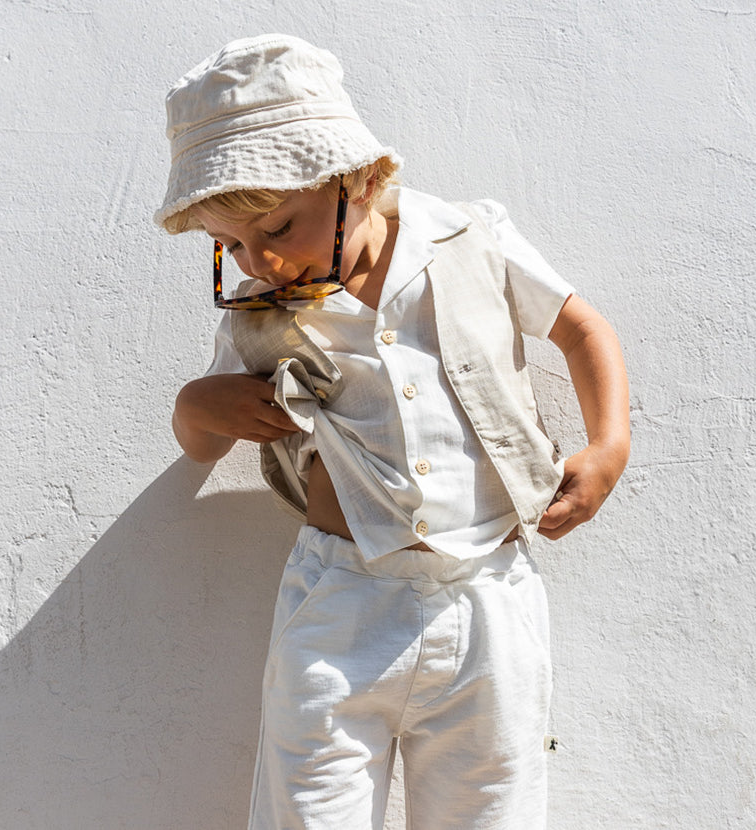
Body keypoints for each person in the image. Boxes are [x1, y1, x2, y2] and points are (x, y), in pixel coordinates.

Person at [157, 33, 630, 830]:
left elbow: (581, 328)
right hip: (340, 604)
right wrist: (197, 407)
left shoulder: (468, 239)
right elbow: (201, 443)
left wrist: (608, 446)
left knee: (491, 814)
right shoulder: (259, 318)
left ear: (361, 180)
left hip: (488, 599)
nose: (261, 263)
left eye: (279, 228)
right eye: (231, 245)